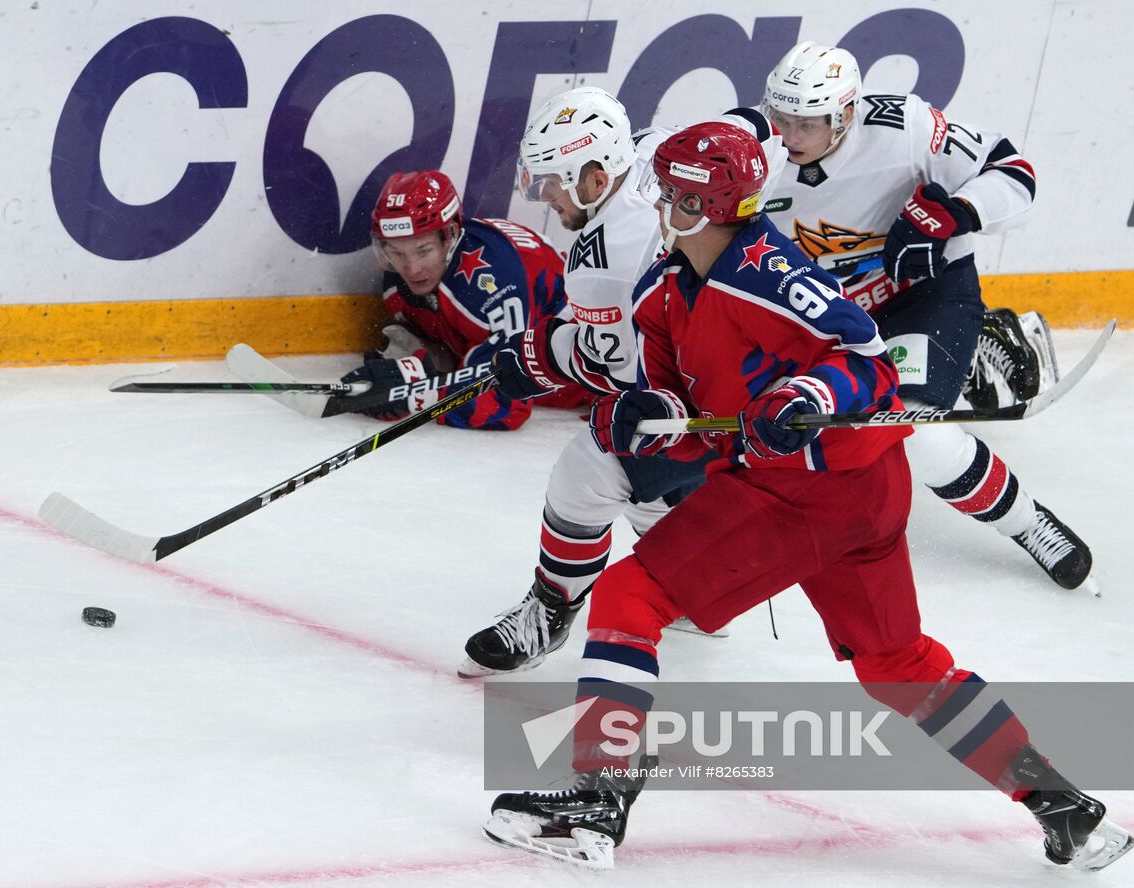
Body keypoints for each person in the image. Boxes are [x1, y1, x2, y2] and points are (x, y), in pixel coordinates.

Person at [481, 121, 1131, 874]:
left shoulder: (769, 275)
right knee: (897, 663)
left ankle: (596, 797)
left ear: (696, 204)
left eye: (669, 193)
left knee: (631, 595)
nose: (657, 202)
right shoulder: (665, 291)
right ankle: (1062, 804)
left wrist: (808, 390)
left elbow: (867, 362)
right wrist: (636, 418)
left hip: (810, 493)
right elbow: (685, 422)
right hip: (854, 492)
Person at [459, 88, 782, 676]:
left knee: (589, 471)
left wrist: (536, 360)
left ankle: (549, 610)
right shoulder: (660, 153)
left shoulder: (603, 260)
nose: (547, 197)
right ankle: (692, 588)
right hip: (758, 361)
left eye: (555, 182)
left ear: (597, 173)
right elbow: (751, 127)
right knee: (653, 484)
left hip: (711, 388)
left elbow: (617, 371)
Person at [760, 41, 1089, 589]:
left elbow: (1014, 173)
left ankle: (1028, 523)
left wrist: (956, 212)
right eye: (780, 117)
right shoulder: (755, 151)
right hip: (825, 316)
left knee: (916, 432)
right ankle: (983, 344)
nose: (789, 136)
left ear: (844, 115)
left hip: (919, 295)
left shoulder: (904, 126)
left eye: (806, 124)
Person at [339, 170, 588, 430]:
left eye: (423, 250)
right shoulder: (401, 283)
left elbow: (508, 402)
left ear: (451, 234)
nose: (411, 269)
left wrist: (422, 395)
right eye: (397, 253)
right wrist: (408, 366)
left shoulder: (492, 282)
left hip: (600, 379)